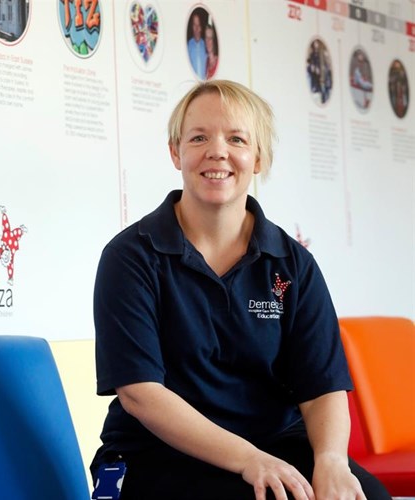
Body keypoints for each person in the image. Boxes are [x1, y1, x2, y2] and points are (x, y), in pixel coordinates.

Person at [91, 80, 392, 500]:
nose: (217, 151)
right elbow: (141, 395)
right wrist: (249, 459)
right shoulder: (130, 257)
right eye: (199, 137)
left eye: (236, 138)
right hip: (158, 452)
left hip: (275, 446)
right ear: (176, 152)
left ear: (259, 157)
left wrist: (331, 461)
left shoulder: (292, 264)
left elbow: (321, 385)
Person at [187, 11, 207, 80]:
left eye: (198, 25)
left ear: (201, 27)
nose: (196, 28)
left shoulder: (206, 45)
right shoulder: (187, 46)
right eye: (194, 25)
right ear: (191, 27)